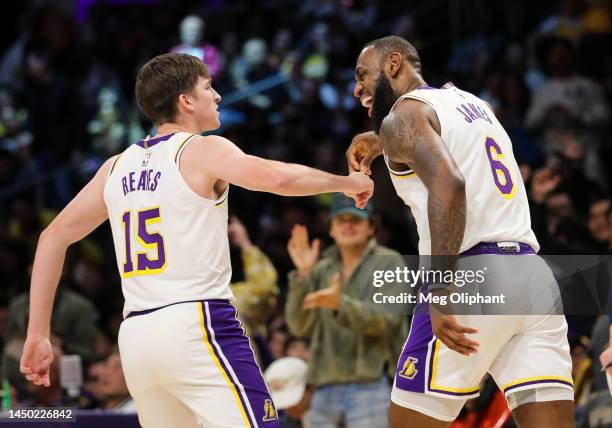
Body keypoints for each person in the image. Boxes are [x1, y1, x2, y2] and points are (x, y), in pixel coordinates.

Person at [19, 53, 373, 428]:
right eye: (208, 87)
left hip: (137, 338)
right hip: (196, 322)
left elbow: (52, 237)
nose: (217, 96)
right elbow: (278, 178)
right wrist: (347, 184)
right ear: (185, 101)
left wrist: (38, 333)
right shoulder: (202, 149)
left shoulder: (114, 167)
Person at [347, 36, 573, 427]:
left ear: (394, 64)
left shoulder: (402, 117)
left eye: (362, 74)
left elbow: (449, 185)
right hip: (533, 279)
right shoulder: (472, 103)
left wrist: (438, 291)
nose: (357, 88)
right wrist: (380, 142)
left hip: (471, 277)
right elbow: (437, 141)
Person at [286, 194, 408, 428]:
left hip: (372, 386)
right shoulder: (321, 268)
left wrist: (341, 304)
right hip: (324, 387)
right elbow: (299, 326)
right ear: (331, 228)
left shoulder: (389, 262)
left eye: (356, 219)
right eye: (341, 220)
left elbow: (386, 320)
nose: (348, 225)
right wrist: (302, 275)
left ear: (370, 227)